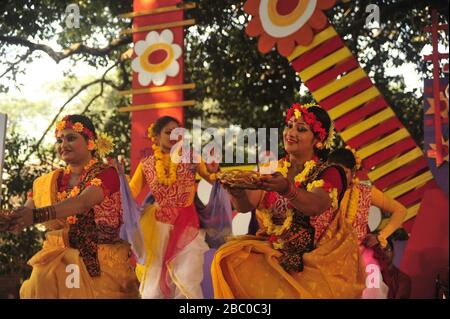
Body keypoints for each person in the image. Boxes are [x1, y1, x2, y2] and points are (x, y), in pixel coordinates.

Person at [211, 103, 366, 299]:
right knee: (227, 258)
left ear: (318, 140)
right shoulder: (273, 168)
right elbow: (246, 205)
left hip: (318, 262)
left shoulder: (331, 172)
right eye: (289, 125)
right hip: (276, 252)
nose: (291, 133)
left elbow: (315, 205)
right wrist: (237, 192)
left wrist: (286, 188)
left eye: (301, 129)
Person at [10, 114, 139, 298]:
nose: (63, 144)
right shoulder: (48, 182)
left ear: (90, 143)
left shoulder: (107, 173)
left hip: (100, 263)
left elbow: (82, 203)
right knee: (39, 280)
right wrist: (11, 220)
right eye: (59, 140)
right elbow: (27, 212)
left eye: (71, 138)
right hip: (56, 259)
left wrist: (36, 216)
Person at [127, 116, 223, 299]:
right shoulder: (147, 164)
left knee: (187, 276)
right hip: (157, 227)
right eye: (168, 132)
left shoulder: (191, 157)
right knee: (155, 278)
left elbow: (211, 178)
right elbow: (131, 190)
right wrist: (115, 188)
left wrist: (213, 170)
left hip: (188, 226)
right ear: (155, 136)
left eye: (177, 132)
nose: (174, 136)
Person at [328, 147, 407, 298]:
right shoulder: (321, 192)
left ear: (353, 172)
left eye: (344, 172)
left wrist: (380, 236)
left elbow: (401, 210)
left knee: (373, 289)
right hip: (328, 256)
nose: (339, 178)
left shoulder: (366, 192)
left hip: (362, 255)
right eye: (334, 172)